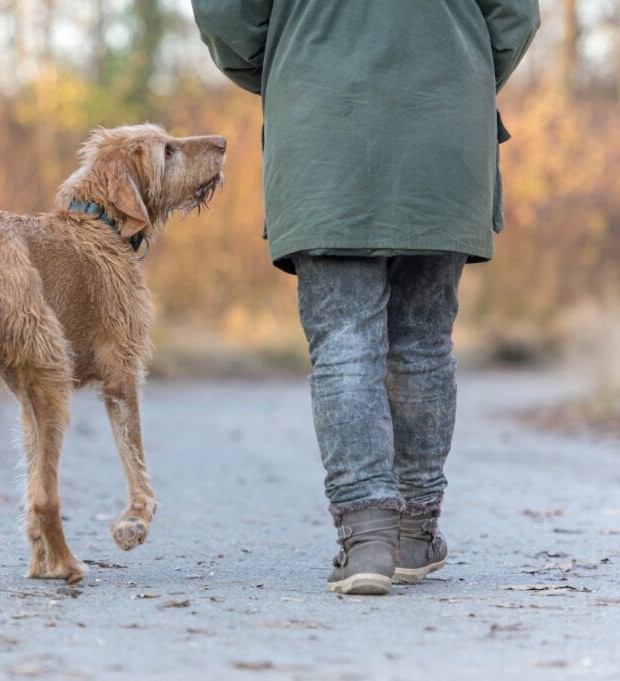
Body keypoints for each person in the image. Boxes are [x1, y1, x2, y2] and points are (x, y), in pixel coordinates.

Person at [192, 1, 540, 594]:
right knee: (425, 343)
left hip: (324, 125)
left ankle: (367, 539)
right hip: (444, 122)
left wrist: (291, 63)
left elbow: (227, 17)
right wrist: (458, 69)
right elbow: (514, 17)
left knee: (344, 342)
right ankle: (413, 532)